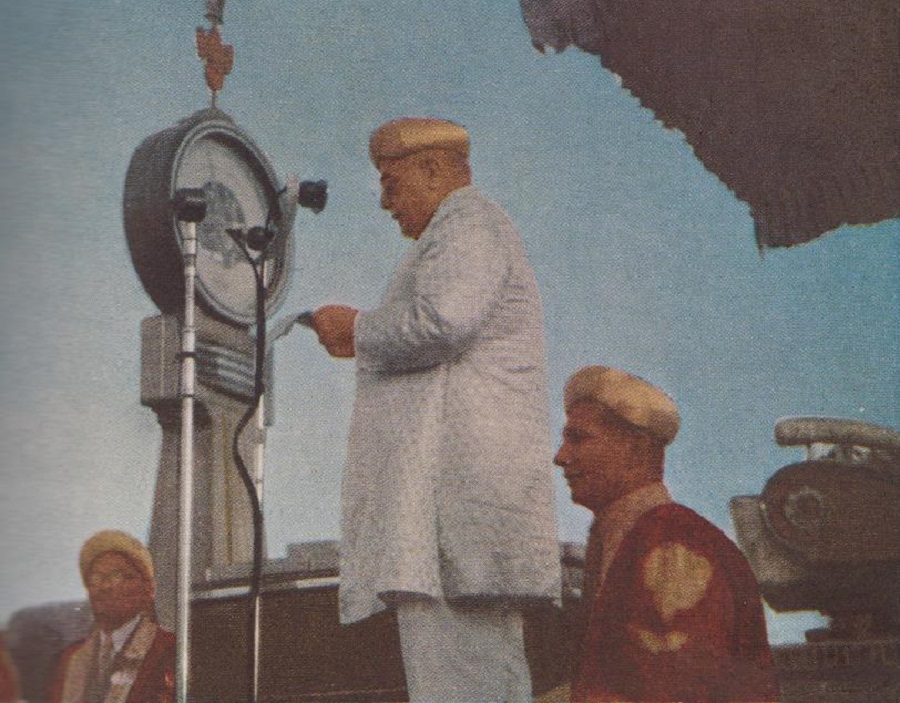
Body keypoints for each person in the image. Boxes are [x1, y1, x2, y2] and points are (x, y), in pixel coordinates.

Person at [310, 116, 561, 702]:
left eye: (391, 184)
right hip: (447, 520)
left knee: (462, 682)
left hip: (456, 517)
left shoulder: (471, 225)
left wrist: (359, 330)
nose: (383, 203)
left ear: (434, 169)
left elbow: (443, 322)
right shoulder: (455, 234)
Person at [554, 365, 778, 703]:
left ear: (636, 450)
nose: (561, 457)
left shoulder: (672, 548)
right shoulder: (633, 537)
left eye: (579, 438)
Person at [47, 530, 174, 703]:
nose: (105, 586)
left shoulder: (168, 650)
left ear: (148, 588)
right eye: (96, 578)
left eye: (117, 576)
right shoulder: (71, 660)